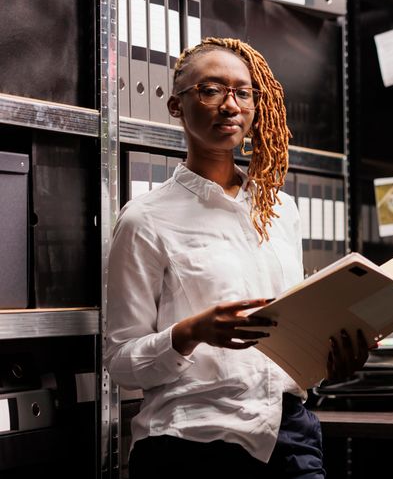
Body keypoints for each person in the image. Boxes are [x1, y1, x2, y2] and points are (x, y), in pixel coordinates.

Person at [105, 37, 367, 478]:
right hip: (192, 441)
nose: (230, 105)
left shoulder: (281, 211)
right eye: (211, 90)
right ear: (176, 106)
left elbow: (288, 341)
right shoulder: (144, 219)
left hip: (290, 437)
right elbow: (122, 365)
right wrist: (192, 331)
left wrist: (331, 357)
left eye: (243, 92)